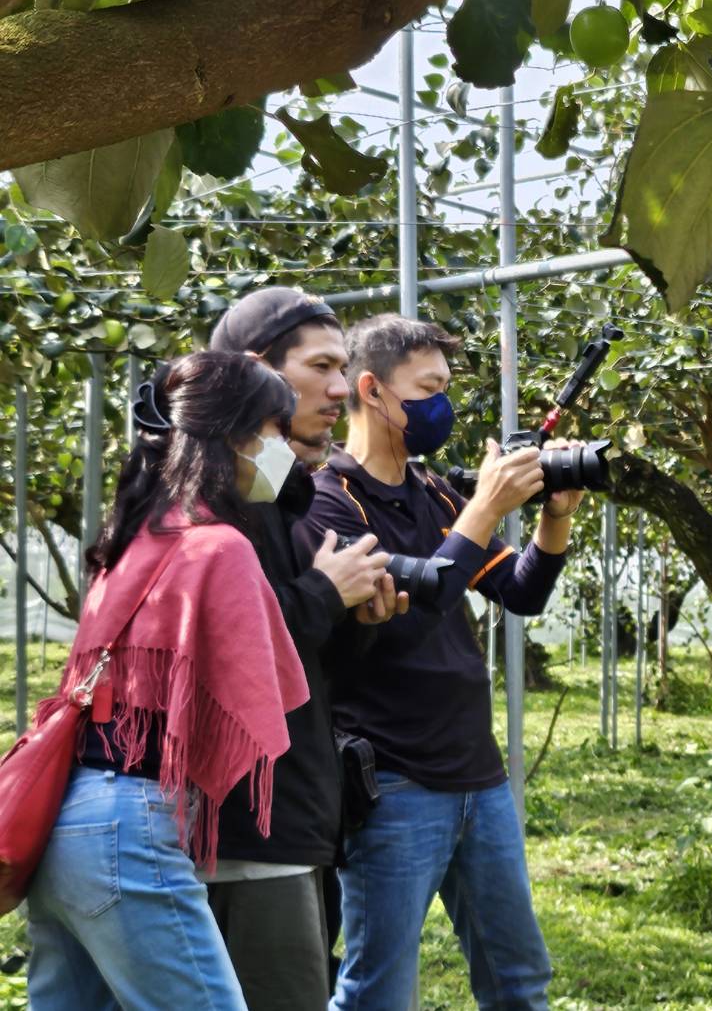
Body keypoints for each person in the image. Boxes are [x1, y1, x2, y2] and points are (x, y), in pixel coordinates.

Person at [301, 314, 584, 1011]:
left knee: (520, 981)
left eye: (446, 388)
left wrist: (553, 519)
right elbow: (425, 591)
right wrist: (486, 507)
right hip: (392, 784)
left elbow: (517, 592)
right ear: (371, 390)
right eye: (427, 389)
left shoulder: (434, 494)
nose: (442, 406)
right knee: (377, 992)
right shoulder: (327, 503)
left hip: (477, 781)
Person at [25, 352, 311, 1010]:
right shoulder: (221, 548)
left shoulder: (129, 541)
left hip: (66, 823)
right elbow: (262, 695)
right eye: (276, 432)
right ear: (238, 436)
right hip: (132, 825)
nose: (284, 451)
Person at [204, 287, 404, 1010]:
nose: (341, 387)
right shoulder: (207, 501)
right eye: (321, 366)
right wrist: (324, 594)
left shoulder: (280, 495)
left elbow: (306, 672)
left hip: (296, 822)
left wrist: (357, 613)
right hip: (246, 836)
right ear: (258, 372)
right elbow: (217, 654)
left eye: (342, 366)